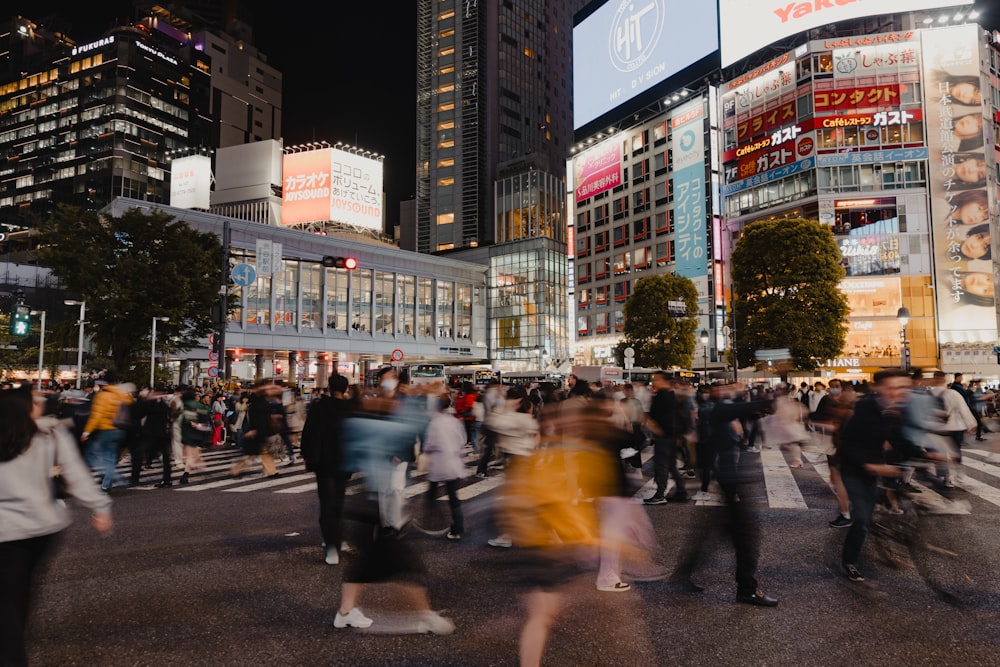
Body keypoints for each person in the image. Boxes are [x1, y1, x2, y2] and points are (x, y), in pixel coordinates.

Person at [0, 385, 113, 666]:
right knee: (20, 590)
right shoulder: (49, 434)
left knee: (7, 600)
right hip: (44, 526)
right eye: (36, 400)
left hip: (5, 530)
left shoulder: (44, 431)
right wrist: (100, 506)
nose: (41, 404)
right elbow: (75, 472)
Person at [668, 382, 778, 606]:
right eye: (730, 386)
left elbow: (746, 414)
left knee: (715, 535)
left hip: (732, 482)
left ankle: (683, 574)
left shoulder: (727, 410)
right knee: (745, 540)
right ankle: (746, 589)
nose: (735, 388)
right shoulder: (716, 408)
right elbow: (736, 411)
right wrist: (771, 401)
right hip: (729, 482)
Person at [838, 369, 945, 583]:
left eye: (904, 387)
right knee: (862, 519)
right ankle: (849, 561)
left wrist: (926, 454)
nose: (899, 392)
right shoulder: (863, 409)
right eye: (892, 387)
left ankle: (883, 509)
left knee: (898, 496)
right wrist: (870, 465)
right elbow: (848, 444)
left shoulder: (897, 410)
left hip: (880, 463)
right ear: (877, 388)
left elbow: (899, 438)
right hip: (854, 468)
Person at [299, 374, 354, 565]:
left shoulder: (319, 406)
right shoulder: (350, 408)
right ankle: (336, 538)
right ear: (346, 389)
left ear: (330, 388)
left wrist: (305, 453)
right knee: (339, 501)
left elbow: (309, 431)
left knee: (327, 503)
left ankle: (331, 545)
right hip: (343, 460)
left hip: (323, 461)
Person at [421, 394, 468, 540]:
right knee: (453, 497)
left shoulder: (435, 423)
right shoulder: (455, 422)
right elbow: (462, 440)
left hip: (439, 464)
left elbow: (429, 445)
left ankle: (430, 522)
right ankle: (457, 528)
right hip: (453, 464)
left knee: (431, 494)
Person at [80, 372, 134, 493]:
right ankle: (106, 484)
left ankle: (115, 476)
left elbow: (96, 416)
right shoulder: (121, 394)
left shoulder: (102, 395)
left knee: (90, 454)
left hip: (106, 429)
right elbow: (130, 403)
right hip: (120, 429)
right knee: (111, 457)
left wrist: (86, 432)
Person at [643, 371, 688, 504]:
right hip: (672, 436)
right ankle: (681, 491)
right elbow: (679, 417)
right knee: (671, 466)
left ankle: (660, 494)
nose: (654, 382)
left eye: (656, 379)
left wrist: (652, 426)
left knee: (661, 466)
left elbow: (654, 416)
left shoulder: (661, 396)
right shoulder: (672, 395)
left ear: (664, 381)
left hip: (663, 436)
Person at [229, 381, 281, 480]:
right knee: (250, 454)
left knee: (264, 453)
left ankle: (271, 472)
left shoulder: (261, 400)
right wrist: (253, 429)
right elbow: (255, 417)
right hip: (257, 431)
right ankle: (235, 469)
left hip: (263, 430)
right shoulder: (256, 401)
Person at [133, 389, 174, 488]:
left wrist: (142, 399)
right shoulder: (164, 405)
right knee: (165, 458)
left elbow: (138, 413)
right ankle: (167, 479)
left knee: (139, 453)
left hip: (150, 434)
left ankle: (135, 477)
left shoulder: (150, 403)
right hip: (162, 433)